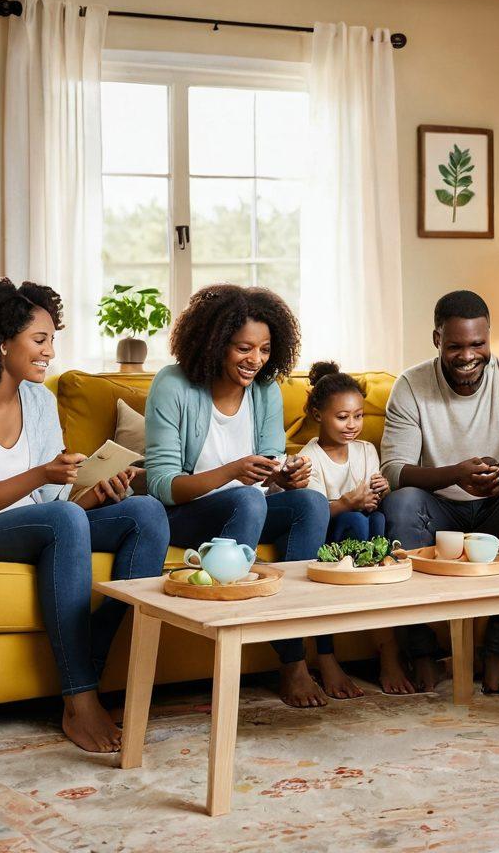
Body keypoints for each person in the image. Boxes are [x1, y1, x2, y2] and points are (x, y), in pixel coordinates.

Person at [0, 279, 170, 753]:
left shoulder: (40, 400)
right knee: (63, 521)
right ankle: (80, 700)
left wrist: (98, 493)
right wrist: (41, 474)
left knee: (145, 513)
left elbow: (55, 503)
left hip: (35, 524)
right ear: (1, 341)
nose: (50, 351)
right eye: (40, 339)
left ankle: (87, 672)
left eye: (52, 339)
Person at [145, 285, 353, 707]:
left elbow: (269, 471)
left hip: (250, 506)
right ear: (215, 342)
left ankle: (294, 656)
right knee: (247, 499)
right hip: (185, 514)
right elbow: (161, 485)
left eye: (264, 349)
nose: (255, 360)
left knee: (310, 502)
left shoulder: (265, 389)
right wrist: (233, 472)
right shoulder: (173, 384)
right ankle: (251, 659)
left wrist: (286, 478)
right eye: (244, 348)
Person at [381, 290, 499, 694]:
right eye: (455, 346)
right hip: (439, 510)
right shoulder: (411, 385)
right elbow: (394, 471)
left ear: (489, 337)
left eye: (478, 344)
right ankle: (423, 654)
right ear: (437, 340)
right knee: (401, 502)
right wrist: (455, 475)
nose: (468, 356)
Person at [298, 362, 404, 695]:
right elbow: (314, 513)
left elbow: (374, 501)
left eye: (358, 416)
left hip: (367, 531)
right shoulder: (309, 458)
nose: (352, 425)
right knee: (356, 519)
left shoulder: (366, 450)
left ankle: (387, 643)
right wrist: (348, 501)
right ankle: (337, 650)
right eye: (342, 417)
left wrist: (380, 491)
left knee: (377, 519)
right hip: (329, 538)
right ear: (318, 414)